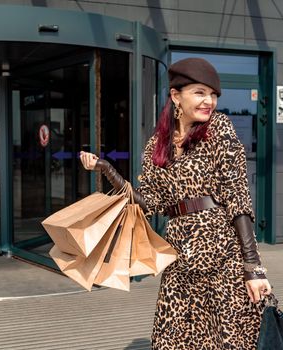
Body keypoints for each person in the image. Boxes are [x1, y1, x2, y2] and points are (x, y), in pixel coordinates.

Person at [80, 57, 272, 349]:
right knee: (173, 338)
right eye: (199, 92)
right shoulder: (156, 145)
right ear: (175, 95)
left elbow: (237, 196)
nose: (209, 101)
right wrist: (106, 169)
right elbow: (151, 203)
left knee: (229, 338)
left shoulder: (219, 129)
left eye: (213, 95)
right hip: (180, 254)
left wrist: (253, 267)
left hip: (222, 254)